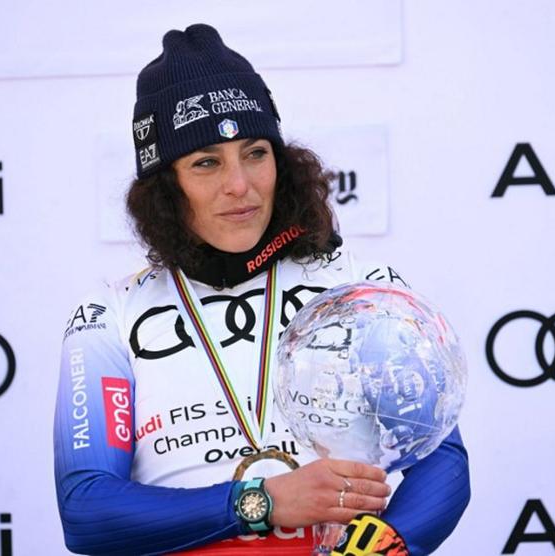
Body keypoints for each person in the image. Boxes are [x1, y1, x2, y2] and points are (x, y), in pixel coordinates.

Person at [53, 24, 470, 556]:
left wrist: (385, 545)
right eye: (206, 162)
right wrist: (262, 501)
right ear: (164, 187)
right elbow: (87, 511)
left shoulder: (360, 290)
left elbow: (444, 461)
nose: (240, 185)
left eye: (255, 152)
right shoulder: (108, 318)